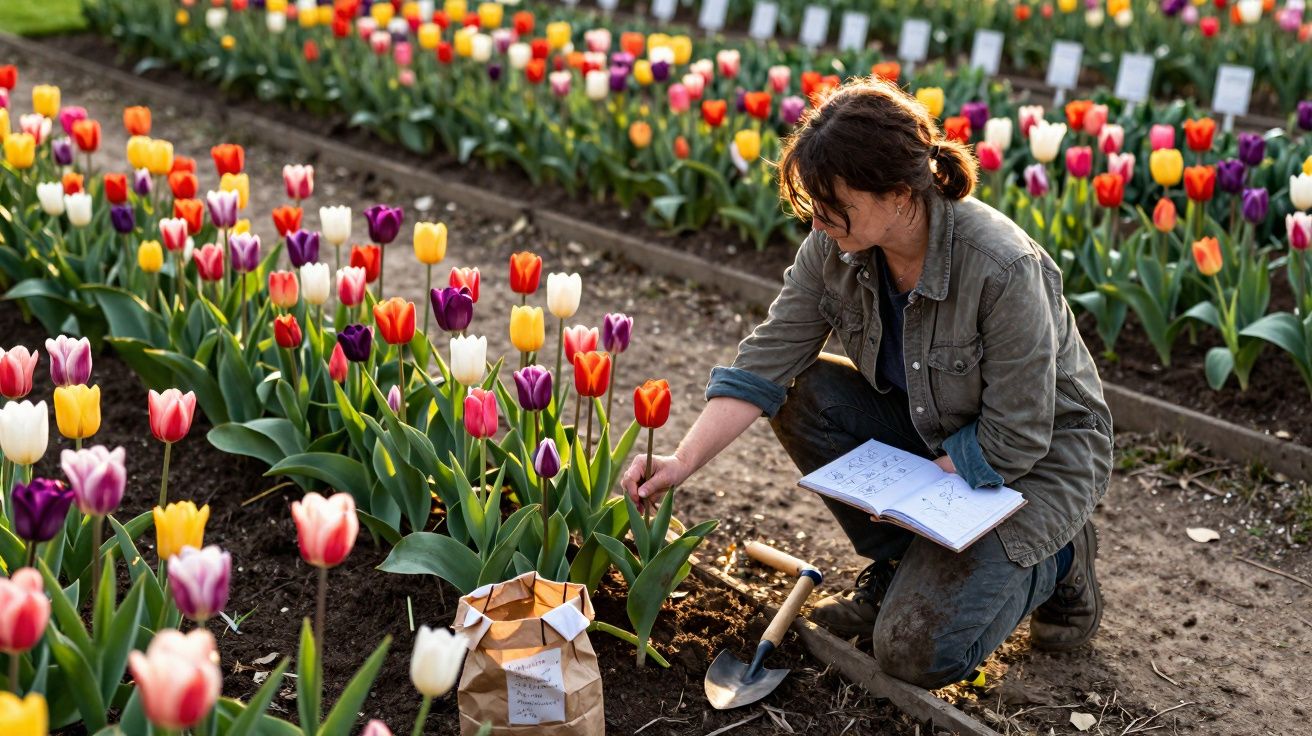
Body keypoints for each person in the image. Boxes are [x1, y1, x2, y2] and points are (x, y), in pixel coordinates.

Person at [620, 77, 1114, 689]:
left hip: (1036, 461)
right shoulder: (835, 247)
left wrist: (917, 491)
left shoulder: (1000, 267)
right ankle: (899, 563)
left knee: (913, 655)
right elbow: (768, 360)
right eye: (811, 203)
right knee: (802, 392)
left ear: (901, 194)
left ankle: (1062, 556)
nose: (817, 220)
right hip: (937, 433)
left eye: (832, 203)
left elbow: (1020, 432)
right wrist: (680, 460)